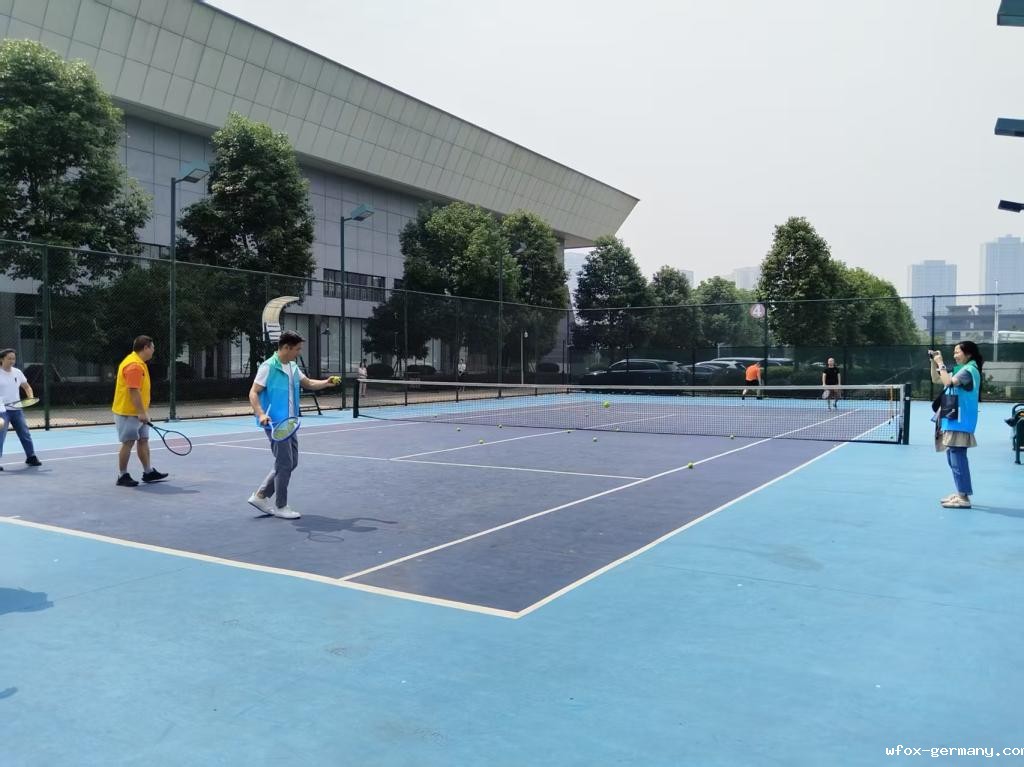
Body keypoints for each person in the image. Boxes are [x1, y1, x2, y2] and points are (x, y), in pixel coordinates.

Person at [247, 331, 341, 520]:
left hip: (290, 423)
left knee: (291, 462)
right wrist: (261, 413)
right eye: (297, 349)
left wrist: (326, 382)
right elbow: (253, 392)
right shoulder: (268, 367)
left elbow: (308, 383)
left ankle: (260, 496)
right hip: (275, 423)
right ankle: (281, 506)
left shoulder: (292, 367)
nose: (299, 352)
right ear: (286, 348)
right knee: (284, 463)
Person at [930, 341, 983, 509]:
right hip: (954, 419)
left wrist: (940, 362)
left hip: (961, 421)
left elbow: (948, 383)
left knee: (957, 458)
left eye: (957, 352)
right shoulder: (961, 369)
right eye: (954, 352)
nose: (954, 355)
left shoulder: (968, 371)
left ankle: (964, 497)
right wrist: (934, 362)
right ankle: (961, 492)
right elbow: (937, 378)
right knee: (952, 457)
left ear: (968, 354)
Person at [111, 335, 167, 487]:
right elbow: (133, 390)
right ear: (146, 347)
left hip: (137, 412)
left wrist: (143, 412)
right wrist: (141, 412)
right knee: (128, 442)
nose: (154, 350)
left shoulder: (139, 362)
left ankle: (148, 472)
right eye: (153, 347)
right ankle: (122, 475)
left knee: (143, 440)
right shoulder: (134, 365)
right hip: (128, 413)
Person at [0, 348, 41, 469]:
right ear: (2, 359)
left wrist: (30, 398)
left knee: (25, 433)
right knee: (1, 436)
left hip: (17, 410)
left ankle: (31, 456)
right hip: (2, 411)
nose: (12, 361)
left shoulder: (17, 372)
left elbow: (27, 387)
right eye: (9, 358)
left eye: (13, 358)